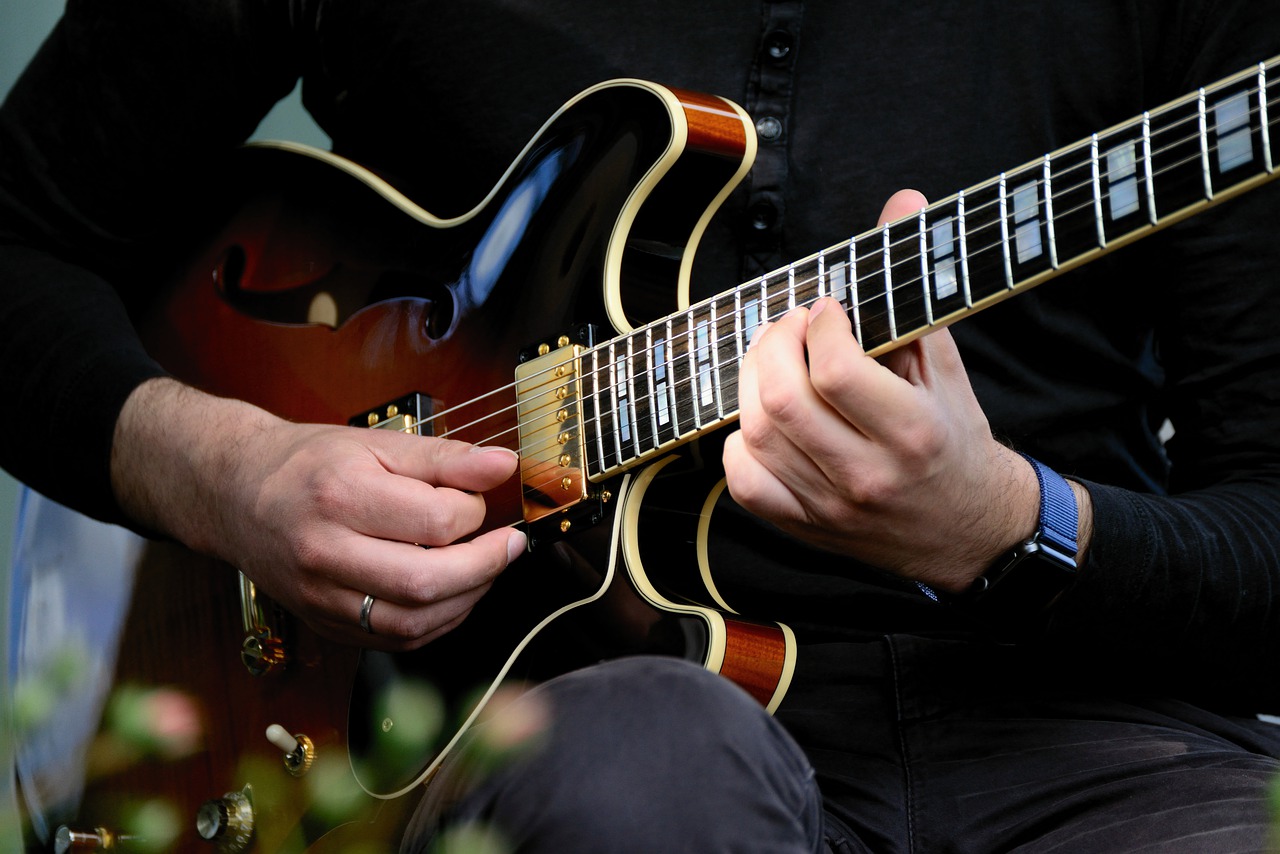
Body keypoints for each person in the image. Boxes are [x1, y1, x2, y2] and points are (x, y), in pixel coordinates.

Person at [3, 1, 1280, 851]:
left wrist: (1004, 526)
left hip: (1108, 742)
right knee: (648, 775)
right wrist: (224, 472)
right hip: (544, 724)